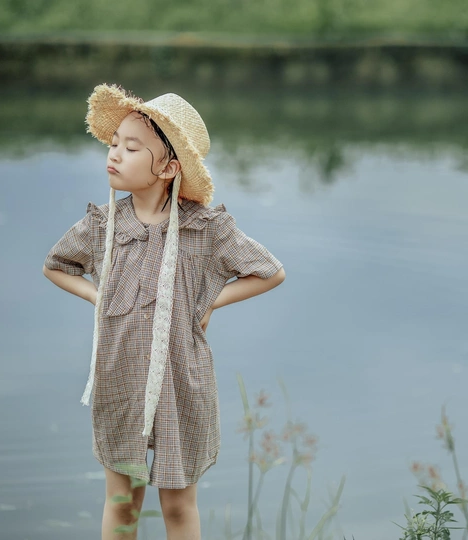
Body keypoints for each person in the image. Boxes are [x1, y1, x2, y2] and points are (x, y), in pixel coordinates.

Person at [42, 83, 286, 539]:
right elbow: (55, 266)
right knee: (123, 501)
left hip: (180, 381)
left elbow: (269, 272)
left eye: (131, 148)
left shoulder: (204, 228)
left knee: (176, 505)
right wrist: (99, 297)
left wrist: (209, 301)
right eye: (114, 144)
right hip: (120, 377)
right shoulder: (103, 224)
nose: (114, 154)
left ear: (169, 167)